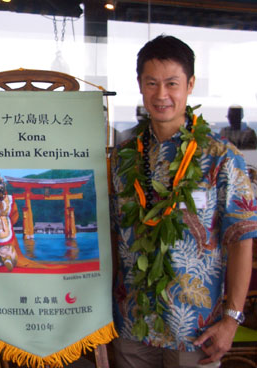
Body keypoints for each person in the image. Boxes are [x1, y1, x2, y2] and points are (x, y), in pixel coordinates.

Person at [110, 35, 257, 368]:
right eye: (152, 83)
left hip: (195, 328)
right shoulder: (122, 158)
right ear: (140, 85)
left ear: (189, 85)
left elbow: (242, 238)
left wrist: (232, 319)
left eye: (172, 83)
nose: (162, 95)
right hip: (132, 324)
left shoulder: (221, 158)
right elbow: (113, 234)